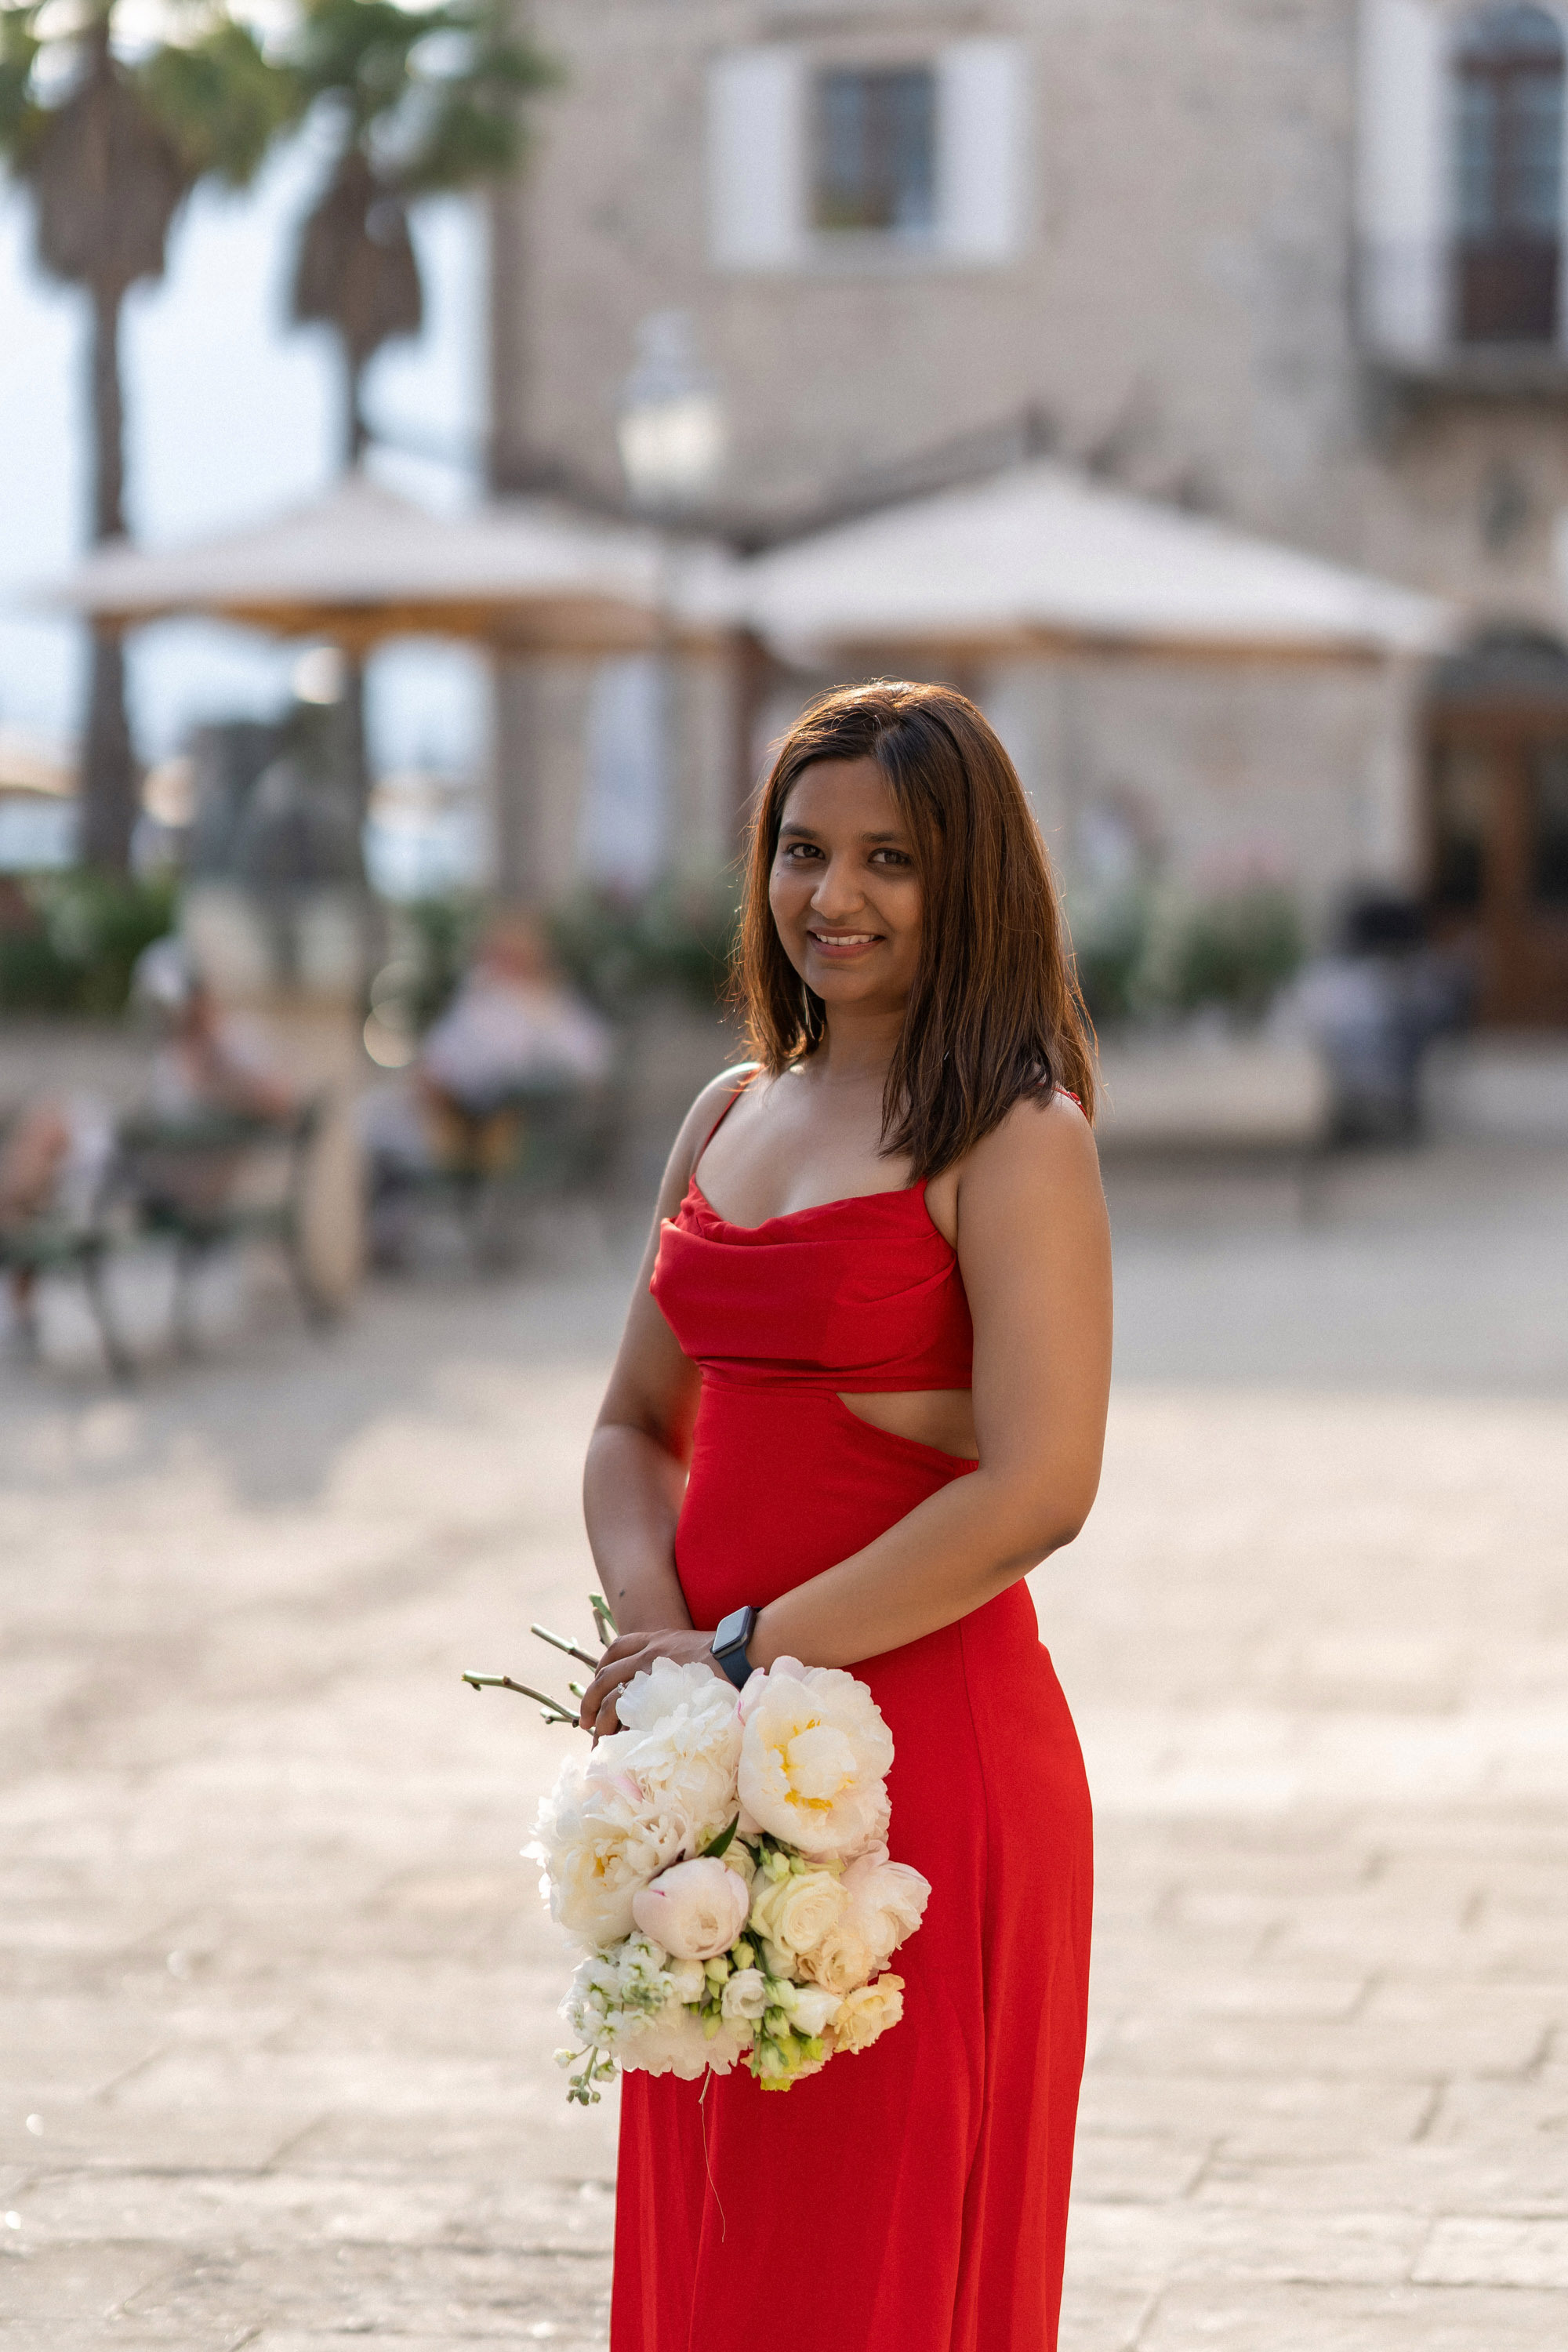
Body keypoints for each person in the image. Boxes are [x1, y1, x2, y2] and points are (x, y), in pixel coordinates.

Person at [576, 681, 1112, 2352]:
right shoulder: (725, 1113)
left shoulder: (1017, 1139)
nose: (835, 896)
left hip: (929, 1777)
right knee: (723, 2243)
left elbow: (1040, 1490)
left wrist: (741, 1652)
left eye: (889, 858)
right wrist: (666, 1681)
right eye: (803, 852)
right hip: (715, 1756)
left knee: (875, 2262)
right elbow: (627, 1428)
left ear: (971, 884)